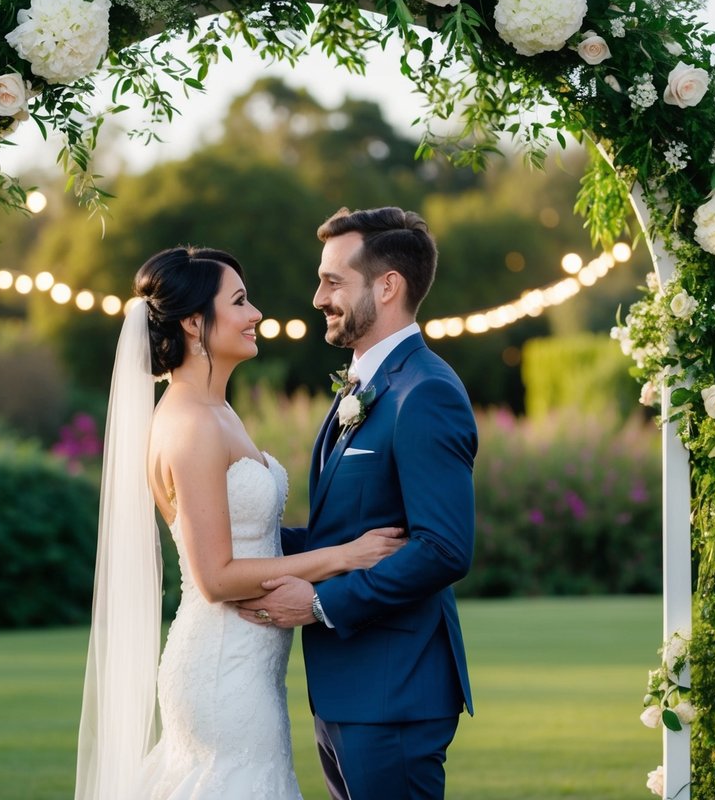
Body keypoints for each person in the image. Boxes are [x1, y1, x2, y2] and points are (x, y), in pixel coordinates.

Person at [73, 245, 407, 800]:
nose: (255, 314)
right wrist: (348, 555)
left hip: (247, 666)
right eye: (240, 301)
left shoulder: (216, 411)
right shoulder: (191, 424)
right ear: (193, 321)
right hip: (223, 669)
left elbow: (251, 538)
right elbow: (217, 576)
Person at [237, 207, 478, 800]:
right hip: (349, 688)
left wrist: (320, 601)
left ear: (387, 285)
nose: (318, 297)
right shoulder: (369, 384)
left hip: (394, 691)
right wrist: (234, 538)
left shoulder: (426, 393)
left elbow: (443, 548)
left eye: (333, 281)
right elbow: (344, 531)